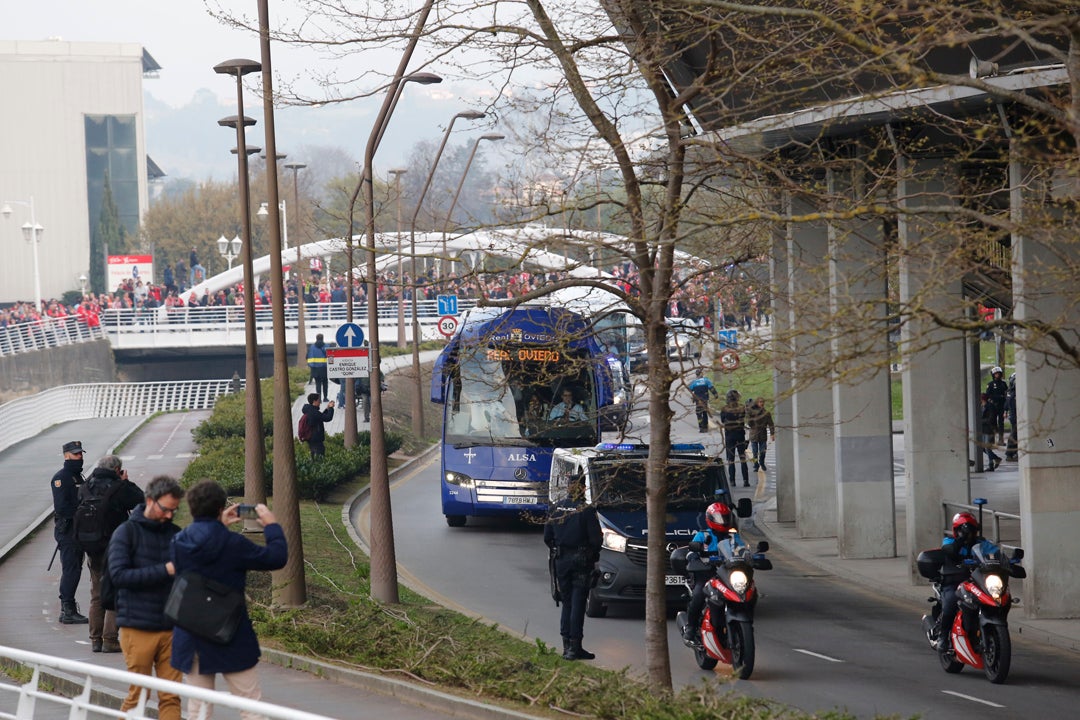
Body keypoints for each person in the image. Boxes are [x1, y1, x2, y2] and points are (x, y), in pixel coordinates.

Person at [170, 479, 287, 720]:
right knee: (251, 705)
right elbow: (276, 558)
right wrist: (272, 526)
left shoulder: (179, 542)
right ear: (220, 508)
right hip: (230, 632)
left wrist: (217, 524)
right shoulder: (234, 544)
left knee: (198, 709)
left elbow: (204, 546)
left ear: (191, 508)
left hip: (192, 633)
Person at [108, 475, 185, 720]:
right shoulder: (126, 532)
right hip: (137, 626)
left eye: (175, 510)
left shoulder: (175, 533)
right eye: (166, 509)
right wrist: (166, 570)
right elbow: (119, 576)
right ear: (150, 501)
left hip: (171, 627)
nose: (170, 515)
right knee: (138, 695)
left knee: (171, 697)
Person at [82, 455, 144, 652]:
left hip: (92, 546)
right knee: (116, 591)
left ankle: (95, 639)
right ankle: (110, 639)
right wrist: (126, 482)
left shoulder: (86, 486)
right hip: (116, 547)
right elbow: (140, 499)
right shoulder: (119, 487)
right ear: (117, 470)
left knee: (97, 593)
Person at [543, 473, 601, 661]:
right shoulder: (586, 510)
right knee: (578, 603)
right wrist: (591, 554)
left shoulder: (555, 508)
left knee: (566, 603)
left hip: (562, 560)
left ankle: (566, 645)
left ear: (568, 488)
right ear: (583, 488)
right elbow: (596, 539)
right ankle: (575, 647)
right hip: (581, 561)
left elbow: (547, 537)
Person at [934, 511, 1001, 651]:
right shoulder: (949, 541)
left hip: (976, 582)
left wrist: (1008, 561)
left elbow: (996, 553)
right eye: (966, 530)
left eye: (972, 530)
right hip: (953, 581)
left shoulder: (981, 543)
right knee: (951, 602)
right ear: (957, 530)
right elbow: (949, 551)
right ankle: (942, 636)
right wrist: (961, 539)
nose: (970, 533)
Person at [682, 500, 737, 644]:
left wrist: (753, 556)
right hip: (707, 575)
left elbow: (743, 550)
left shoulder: (733, 536)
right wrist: (696, 554)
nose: (723, 521)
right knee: (699, 595)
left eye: (726, 517)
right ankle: (691, 627)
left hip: (727, 575)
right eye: (720, 518)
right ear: (711, 519)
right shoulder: (702, 535)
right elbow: (690, 554)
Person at [51, 440, 89, 625]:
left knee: (76, 568)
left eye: (81, 453)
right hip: (68, 531)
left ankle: (70, 608)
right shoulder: (62, 478)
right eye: (75, 454)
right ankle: (67, 609)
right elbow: (62, 508)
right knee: (71, 569)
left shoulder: (79, 477)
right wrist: (82, 512)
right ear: (66, 455)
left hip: (78, 530)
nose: (79, 457)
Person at [720, 389, 751, 487]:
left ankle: (732, 480)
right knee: (742, 459)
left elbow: (722, 420)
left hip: (729, 436)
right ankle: (746, 480)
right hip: (740, 435)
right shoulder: (742, 408)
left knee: (731, 459)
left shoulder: (724, 409)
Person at [301, 393, 335, 459]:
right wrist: (331, 408)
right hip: (315, 438)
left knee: (314, 454)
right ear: (314, 401)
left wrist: (327, 409)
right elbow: (327, 418)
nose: (320, 402)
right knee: (319, 456)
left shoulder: (310, 410)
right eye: (319, 400)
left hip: (311, 438)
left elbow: (320, 417)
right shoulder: (313, 412)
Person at [746, 397, 776, 472]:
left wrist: (772, 433)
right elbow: (749, 424)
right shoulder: (752, 413)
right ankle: (756, 464)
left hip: (762, 434)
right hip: (754, 434)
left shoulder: (766, 413)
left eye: (762, 402)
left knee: (762, 451)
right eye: (760, 402)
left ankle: (762, 462)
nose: (761, 403)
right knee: (755, 452)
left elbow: (771, 424)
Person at [985, 366, 1008, 445]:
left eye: (998, 374)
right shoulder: (990, 384)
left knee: (1001, 423)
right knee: (993, 423)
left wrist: (1006, 406)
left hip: (1001, 405)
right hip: (993, 406)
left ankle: (1001, 440)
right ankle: (991, 440)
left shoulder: (1003, 384)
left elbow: (1006, 394)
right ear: (993, 375)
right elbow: (988, 395)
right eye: (996, 374)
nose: (997, 375)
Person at [979, 393, 1002, 471]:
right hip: (983, 429)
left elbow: (991, 419)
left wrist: (980, 421)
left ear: (983, 399)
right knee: (982, 447)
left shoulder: (990, 406)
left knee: (987, 447)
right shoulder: (981, 406)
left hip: (989, 429)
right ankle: (996, 459)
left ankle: (991, 465)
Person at [306, 333, 329, 402]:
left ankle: (319, 399)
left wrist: (311, 365)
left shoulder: (312, 347)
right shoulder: (327, 346)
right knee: (325, 383)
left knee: (318, 384)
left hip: (315, 369)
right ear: (323, 338)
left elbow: (307, 357)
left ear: (316, 338)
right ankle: (325, 398)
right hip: (324, 368)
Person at [1005, 373, 1018, 461]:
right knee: (1014, 435)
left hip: (1013, 416)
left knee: (1015, 434)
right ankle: (1009, 453)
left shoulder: (1010, 392)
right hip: (1015, 416)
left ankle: (1013, 452)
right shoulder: (1013, 394)